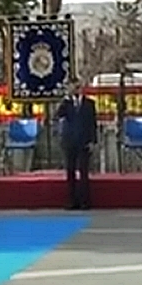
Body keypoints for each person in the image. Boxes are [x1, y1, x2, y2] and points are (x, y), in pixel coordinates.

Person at [55, 78, 97, 210]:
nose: (76, 90)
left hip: (83, 141)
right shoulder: (66, 104)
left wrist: (93, 141)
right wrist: (66, 98)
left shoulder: (89, 103)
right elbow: (58, 114)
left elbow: (92, 124)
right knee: (70, 171)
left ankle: (85, 201)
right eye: (73, 87)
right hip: (69, 141)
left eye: (77, 87)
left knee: (83, 172)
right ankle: (72, 200)